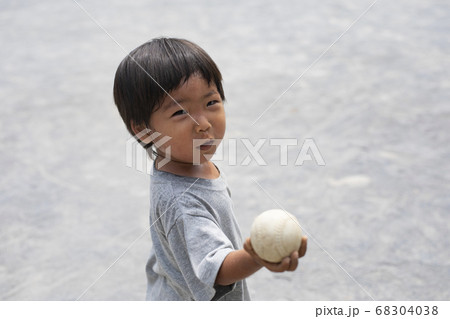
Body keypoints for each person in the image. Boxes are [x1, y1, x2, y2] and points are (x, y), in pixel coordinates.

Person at [113, 37, 307, 301]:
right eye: (181, 112)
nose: (202, 123)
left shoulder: (188, 162)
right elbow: (216, 270)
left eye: (211, 103)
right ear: (143, 129)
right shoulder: (180, 200)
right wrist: (257, 256)